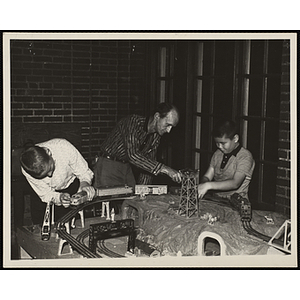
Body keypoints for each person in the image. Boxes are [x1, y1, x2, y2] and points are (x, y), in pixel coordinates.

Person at [93, 102, 182, 190]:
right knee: (108, 202)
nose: (169, 131)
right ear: (157, 117)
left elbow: (148, 165)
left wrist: (143, 190)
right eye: (168, 125)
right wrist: (165, 169)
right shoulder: (133, 122)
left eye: (171, 127)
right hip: (108, 165)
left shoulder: (156, 137)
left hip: (126, 167)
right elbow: (133, 155)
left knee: (132, 201)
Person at [20, 138, 95, 223]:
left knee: (71, 224)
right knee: (41, 227)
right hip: (43, 195)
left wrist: (85, 184)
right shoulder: (27, 170)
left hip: (71, 185)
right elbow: (46, 194)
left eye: (51, 168)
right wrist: (59, 197)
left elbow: (84, 172)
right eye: (44, 175)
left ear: (48, 152)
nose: (50, 175)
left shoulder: (63, 147)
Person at [198, 120, 255, 201]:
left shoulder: (245, 156)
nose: (220, 146)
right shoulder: (217, 154)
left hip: (236, 203)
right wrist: (203, 184)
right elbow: (207, 176)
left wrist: (208, 185)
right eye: (217, 143)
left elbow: (235, 183)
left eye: (223, 143)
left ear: (235, 138)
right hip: (216, 200)